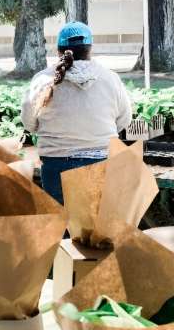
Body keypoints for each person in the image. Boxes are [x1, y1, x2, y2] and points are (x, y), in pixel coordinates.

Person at [21, 21, 132, 204]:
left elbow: (29, 122)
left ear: (58, 50)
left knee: (63, 228)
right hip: (101, 162)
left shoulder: (42, 80)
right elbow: (124, 120)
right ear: (90, 49)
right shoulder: (110, 78)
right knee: (97, 229)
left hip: (56, 166)